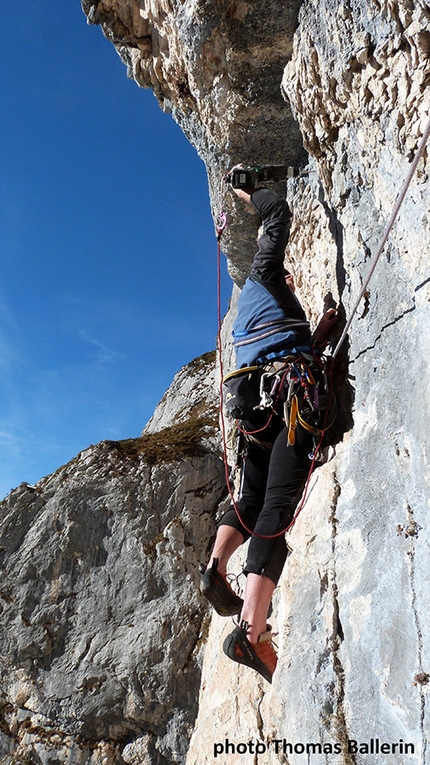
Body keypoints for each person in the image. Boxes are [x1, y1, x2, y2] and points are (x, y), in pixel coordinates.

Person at [200, 178, 339, 684]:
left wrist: (321, 329)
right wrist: (248, 187)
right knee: (275, 509)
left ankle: (216, 569)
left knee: (252, 497)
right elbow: (276, 214)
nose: (291, 280)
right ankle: (251, 632)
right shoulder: (263, 277)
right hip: (290, 400)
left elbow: (291, 347)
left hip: (258, 407)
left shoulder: (248, 320)